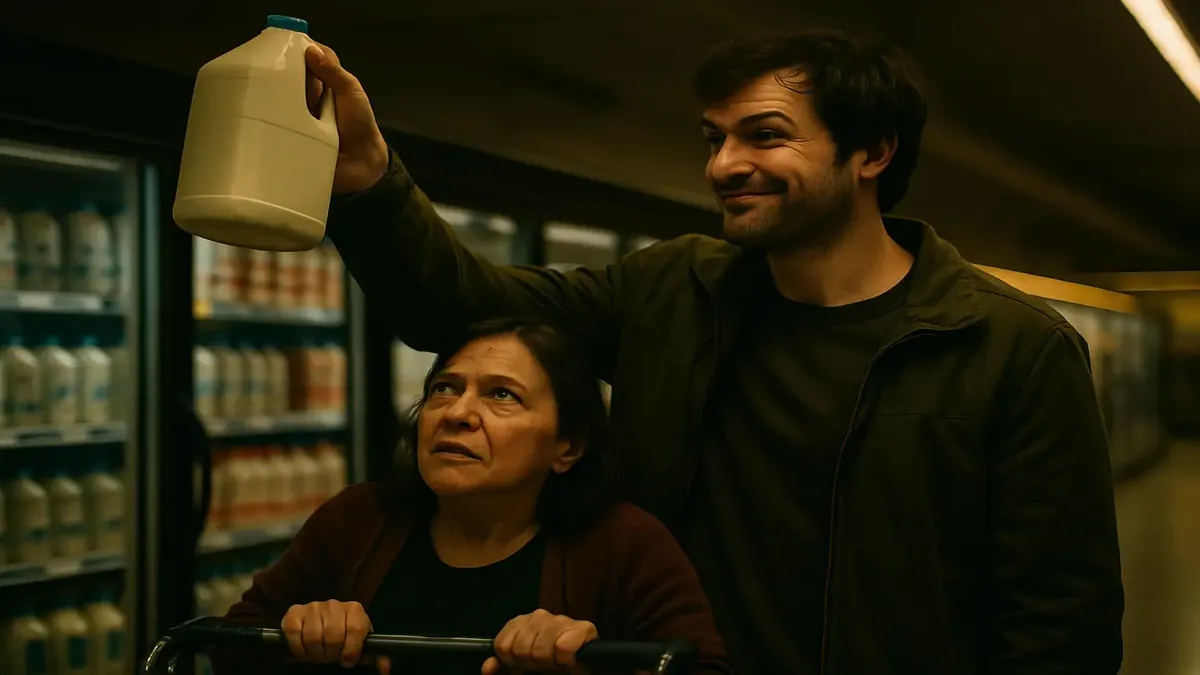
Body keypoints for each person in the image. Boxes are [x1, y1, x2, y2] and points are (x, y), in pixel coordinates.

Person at [306, 29, 1124, 675]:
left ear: (872, 153)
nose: (725, 165)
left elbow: (1060, 619)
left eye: (764, 136)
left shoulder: (1009, 346)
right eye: (714, 138)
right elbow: (464, 308)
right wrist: (370, 181)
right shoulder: (671, 292)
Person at [213, 319, 730, 675]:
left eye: (502, 395)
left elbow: (700, 667)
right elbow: (228, 645)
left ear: (568, 447)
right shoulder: (359, 518)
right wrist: (297, 637)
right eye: (444, 388)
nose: (457, 413)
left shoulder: (623, 543)